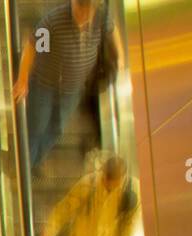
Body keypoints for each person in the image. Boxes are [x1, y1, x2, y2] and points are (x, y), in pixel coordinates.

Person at [13, 0, 122, 168]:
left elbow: (112, 30)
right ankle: (24, 166)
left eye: (86, 12)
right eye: (78, 10)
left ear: (93, 10)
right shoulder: (54, 20)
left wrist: (120, 57)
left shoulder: (101, 18)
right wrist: (22, 80)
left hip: (72, 89)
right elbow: (32, 46)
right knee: (37, 127)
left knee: (57, 129)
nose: (81, 16)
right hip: (44, 85)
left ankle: (34, 161)